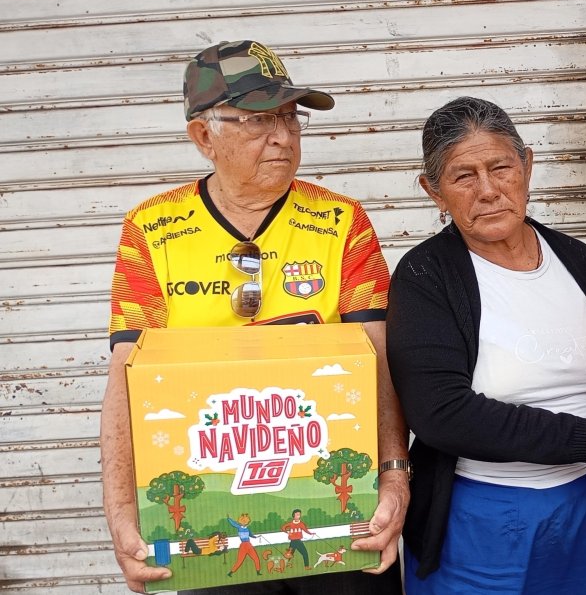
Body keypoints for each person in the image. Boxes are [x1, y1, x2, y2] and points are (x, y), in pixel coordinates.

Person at [101, 40, 409, 595]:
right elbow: (127, 375)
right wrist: (122, 512)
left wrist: (394, 478)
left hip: (337, 514)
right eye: (259, 121)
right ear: (203, 136)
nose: (284, 137)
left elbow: (379, 360)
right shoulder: (151, 230)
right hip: (205, 528)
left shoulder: (342, 222)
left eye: (291, 118)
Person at [386, 96, 586, 593]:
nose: (488, 191)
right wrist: (585, 440)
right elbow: (440, 413)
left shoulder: (577, 258)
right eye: (463, 176)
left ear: (527, 166)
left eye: (501, 167)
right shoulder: (425, 275)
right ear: (433, 191)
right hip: (485, 517)